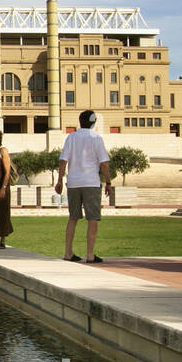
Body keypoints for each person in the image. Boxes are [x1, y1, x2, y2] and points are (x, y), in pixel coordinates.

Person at [54, 110, 114, 263]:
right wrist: (108, 182)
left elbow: (63, 161)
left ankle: (68, 252)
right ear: (94, 122)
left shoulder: (71, 137)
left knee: (73, 218)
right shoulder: (96, 138)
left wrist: (59, 180)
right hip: (91, 183)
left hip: (73, 183)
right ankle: (90, 254)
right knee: (92, 218)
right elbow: (104, 164)